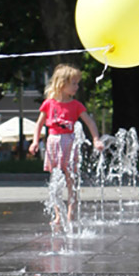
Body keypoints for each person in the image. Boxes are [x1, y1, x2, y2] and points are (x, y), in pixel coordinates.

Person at [28, 64, 104, 227]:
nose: (77, 87)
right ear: (62, 84)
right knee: (55, 180)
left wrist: (96, 139)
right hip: (54, 142)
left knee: (71, 180)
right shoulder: (49, 104)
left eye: (77, 83)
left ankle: (70, 214)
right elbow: (39, 124)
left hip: (69, 143)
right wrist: (35, 141)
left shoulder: (76, 105)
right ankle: (57, 215)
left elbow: (90, 122)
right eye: (74, 83)